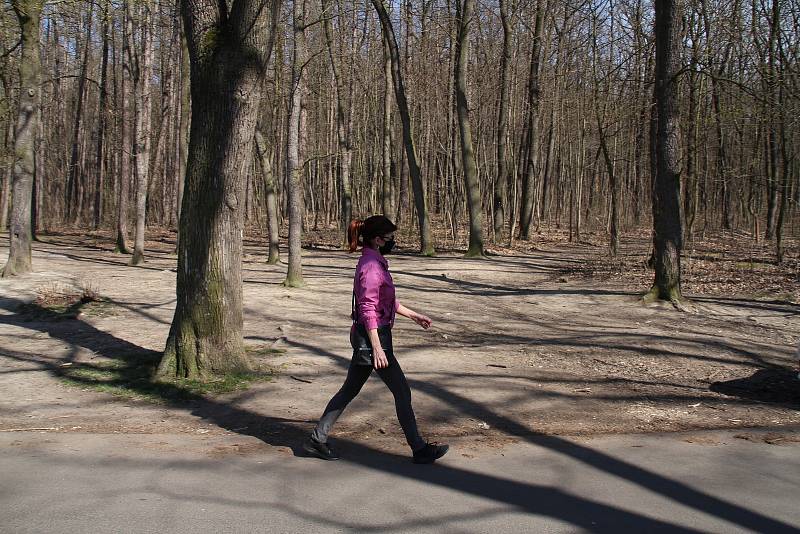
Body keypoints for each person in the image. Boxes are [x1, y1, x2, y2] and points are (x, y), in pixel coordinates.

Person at [303, 215, 449, 464]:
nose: (393, 241)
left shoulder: (374, 262)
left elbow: (386, 302)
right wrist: (378, 348)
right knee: (402, 392)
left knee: (349, 390)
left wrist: (414, 315)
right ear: (377, 239)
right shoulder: (371, 268)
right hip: (374, 338)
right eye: (390, 237)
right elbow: (368, 309)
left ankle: (318, 438)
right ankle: (419, 449)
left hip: (372, 335)